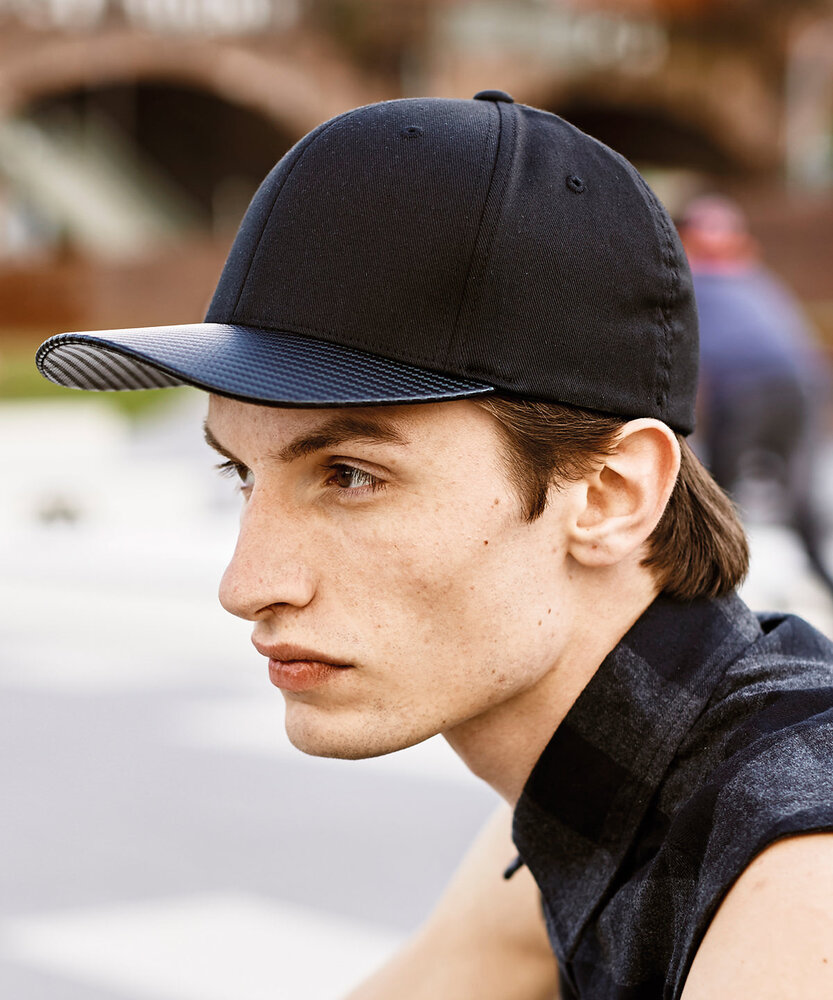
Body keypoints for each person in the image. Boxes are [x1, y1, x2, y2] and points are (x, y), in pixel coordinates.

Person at [36, 92, 833, 999]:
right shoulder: (595, 788)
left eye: (349, 474)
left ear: (610, 495)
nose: (246, 584)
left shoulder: (797, 880)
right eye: (241, 473)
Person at [678, 194, 833, 599]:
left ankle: (708, 591)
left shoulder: (689, 279)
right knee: (799, 499)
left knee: (714, 495)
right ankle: (820, 574)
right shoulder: (754, 277)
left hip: (752, 390)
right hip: (802, 384)